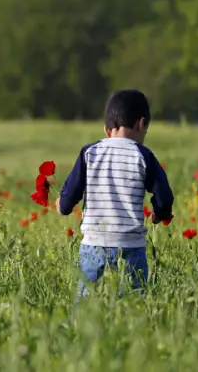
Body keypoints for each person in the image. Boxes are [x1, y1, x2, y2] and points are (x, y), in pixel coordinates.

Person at [58, 89, 174, 296]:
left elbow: (69, 197)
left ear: (106, 130)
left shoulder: (89, 152)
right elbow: (164, 197)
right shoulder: (143, 155)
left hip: (93, 245)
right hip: (131, 247)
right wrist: (160, 213)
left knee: (87, 304)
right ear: (141, 124)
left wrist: (62, 205)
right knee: (133, 303)